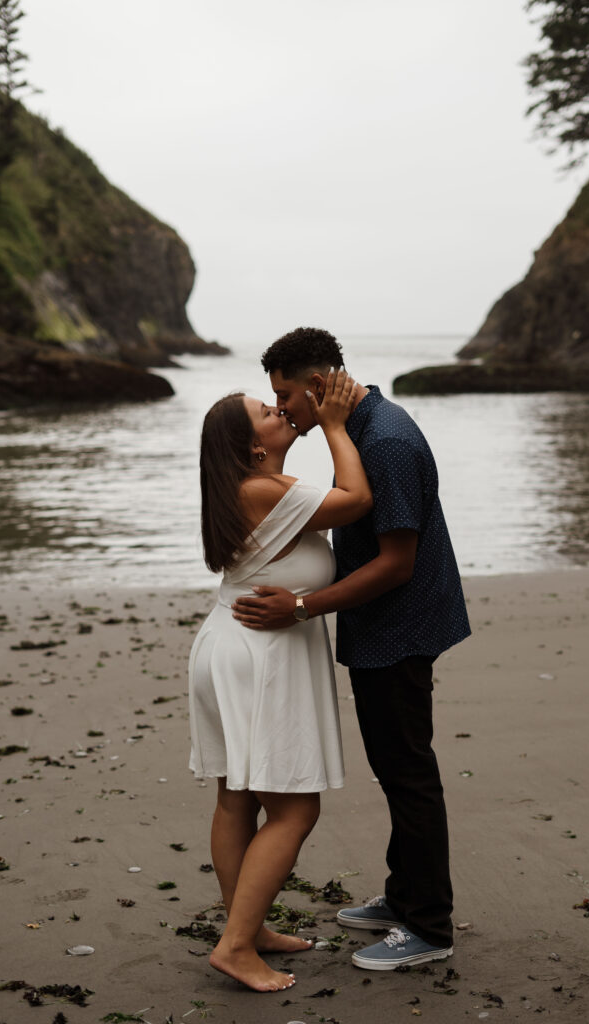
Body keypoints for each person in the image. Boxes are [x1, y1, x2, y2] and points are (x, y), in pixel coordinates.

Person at [232, 326, 471, 971]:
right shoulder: (364, 429)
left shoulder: (386, 440)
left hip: (401, 625)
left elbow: (397, 563)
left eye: (285, 395)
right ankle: (403, 897)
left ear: (318, 386)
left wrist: (302, 607)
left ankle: (429, 926)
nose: (281, 409)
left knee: (408, 774)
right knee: (398, 770)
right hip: (385, 624)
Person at [189, 368, 372, 993]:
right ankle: (237, 945)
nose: (278, 409)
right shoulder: (261, 488)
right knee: (295, 807)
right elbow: (355, 499)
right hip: (257, 651)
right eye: (265, 410)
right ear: (253, 446)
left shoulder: (255, 484)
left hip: (236, 642)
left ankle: (249, 926)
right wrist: (336, 425)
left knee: (238, 796)